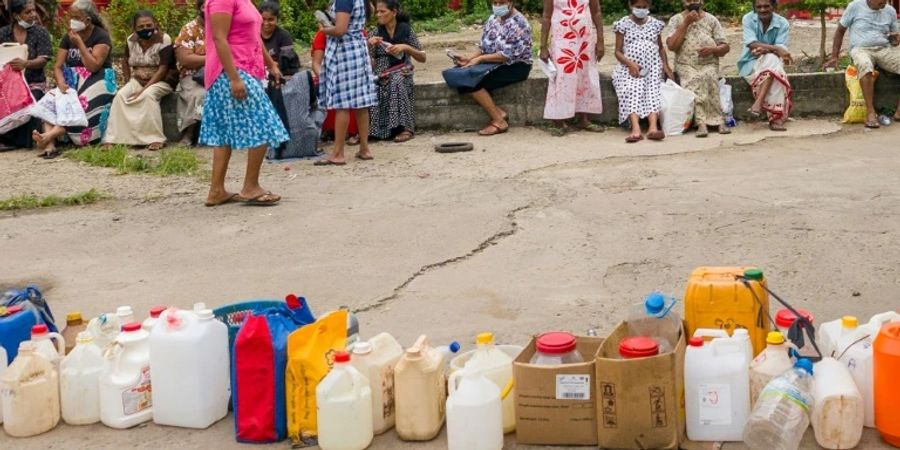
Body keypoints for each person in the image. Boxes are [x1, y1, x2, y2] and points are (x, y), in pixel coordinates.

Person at [200, 0, 289, 206]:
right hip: (230, 71)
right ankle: (251, 187)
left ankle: (216, 191)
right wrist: (234, 78)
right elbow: (219, 38)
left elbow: (253, 36)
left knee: (224, 133)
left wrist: (271, 64)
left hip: (246, 67)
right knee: (265, 122)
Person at [31, 0, 116, 158]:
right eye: (71, 16)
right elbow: (58, 66)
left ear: (88, 20)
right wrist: (61, 82)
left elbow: (94, 66)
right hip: (71, 82)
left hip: (97, 80)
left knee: (79, 103)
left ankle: (48, 136)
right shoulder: (67, 37)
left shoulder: (100, 36)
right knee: (49, 101)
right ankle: (49, 146)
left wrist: (80, 44)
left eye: (76, 17)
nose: (72, 20)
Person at [451, 0, 533, 136]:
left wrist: (480, 59)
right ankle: (499, 113)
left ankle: (499, 121)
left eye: (501, 2)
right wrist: (469, 58)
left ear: (510, 2)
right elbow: (483, 46)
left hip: (516, 66)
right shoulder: (493, 19)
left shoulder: (519, 23)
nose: (497, 5)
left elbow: (507, 55)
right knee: (461, 76)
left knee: (473, 82)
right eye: (495, 2)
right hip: (494, 62)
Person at [102, 11, 176, 150]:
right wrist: (128, 82)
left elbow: (163, 69)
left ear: (155, 24)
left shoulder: (164, 39)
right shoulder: (131, 40)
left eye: (149, 25)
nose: (145, 29)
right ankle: (113, 138)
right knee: (120, 96)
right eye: (141, 26)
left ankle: (155, 138)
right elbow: (125, 60)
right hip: (137, 78)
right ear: (135, 28)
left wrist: (143, 90)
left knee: (148, 96)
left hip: (162, 80)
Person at [316, 0, 377, 165]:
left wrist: (324, 29)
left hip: (345, 52)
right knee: (361, 102)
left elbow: (340, 30)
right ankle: (364, 149)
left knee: (342, 103)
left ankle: (338, 153)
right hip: (359, 49)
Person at [827, 0, 900, 128]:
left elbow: (894, 40)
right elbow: (840, 31)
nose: (884, 2)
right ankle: (870, 113)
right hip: (861, 49)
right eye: (881, 0)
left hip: (884, 49)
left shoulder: (890, 11)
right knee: (865, 65)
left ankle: (899, 112)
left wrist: (894, 38)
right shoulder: (855, 6)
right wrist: (834, 57)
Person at [539, 0, 604, 135]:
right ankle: (559, 120)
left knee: (585, 76)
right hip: (562, 39)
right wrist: (543, 46)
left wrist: (601, 41)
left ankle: (584, 119)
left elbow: (596, 12)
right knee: (563, 76)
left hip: (585, 40)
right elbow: (546, 16)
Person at [666, 0, 730, 137]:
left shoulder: (711, 19)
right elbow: (671, 46)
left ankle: (719, 121)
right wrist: (686, 23)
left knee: (710, 78)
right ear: (683, 2)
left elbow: (725, 47)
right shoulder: (675, 20)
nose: (693, 2)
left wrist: (713, 49)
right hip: (685, 65)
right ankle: (701, 123)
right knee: (694, 80)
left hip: (708, 63)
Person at [612, 0, 672, 142]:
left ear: (649, 7)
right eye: (638, 7)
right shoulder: (623, 24)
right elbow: (618, 52)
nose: (641, 10)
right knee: (632, 90)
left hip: (653, 67)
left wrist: (666, 65)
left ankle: (653, 128)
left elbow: (661, 47)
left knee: (653, 92)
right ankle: (636, 129)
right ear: (630, 6)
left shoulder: (655, 24)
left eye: (644, 7)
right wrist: (631, 64)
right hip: (629, 68)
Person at [368, 0, 425, 142]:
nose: (378, 15)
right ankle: (377, 131)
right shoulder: (375, 33)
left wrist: (406, 47)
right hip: (381, 72)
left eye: (382, 11)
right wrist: (369, 48)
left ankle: (406, 128)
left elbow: (422, 57)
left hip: (402, 70)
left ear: (394, 12)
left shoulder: (406, 30)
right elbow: (370, 63)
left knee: (397, 81)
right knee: (373, 85)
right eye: (377, 12)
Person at [0, 0, 53, 151]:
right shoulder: (4, 33)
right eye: (27, 12)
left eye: (33, 10)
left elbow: (44, 59)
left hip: (33, 82)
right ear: (17, 15)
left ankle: (22, 141)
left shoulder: (40, 32)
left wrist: (26, 64)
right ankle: (4, 139)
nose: (33, 15)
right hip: (7, 84)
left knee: (30, 103)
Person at [737, 0, 792, 131]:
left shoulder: (782, 23)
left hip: (771, 65)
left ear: (774, 7)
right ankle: (776, 118)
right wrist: (775, 49)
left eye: (766, 6)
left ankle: (758, 103)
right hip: (750, 64)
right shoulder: (748, 19)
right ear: (754, 8)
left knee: (772, 62)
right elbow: (751, 44)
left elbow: (781, 48)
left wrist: (767, 50)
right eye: (759, 7)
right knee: (776, 67)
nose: (762, 10)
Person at [312, 29, 360, 145]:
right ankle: (328, 129)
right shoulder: (323, 34)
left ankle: (354, 132)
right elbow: (316, 64)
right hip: (327, 75)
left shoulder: (358, 32)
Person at [173, 0, 207, 145]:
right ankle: (189, 134)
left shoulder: (224, 27)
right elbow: (185, 59)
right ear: (202, 7)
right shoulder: (189, 29)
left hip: (221, 73)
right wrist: (214, 58)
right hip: (193, 75)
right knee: (199, 94)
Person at [259, 1, 299, 77]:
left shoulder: (284, 36)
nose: (266, 23)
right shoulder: (253, 34)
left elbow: (288, 64)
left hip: (278, 75)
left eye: (271, 19)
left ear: (277, 19)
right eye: (263, 19)